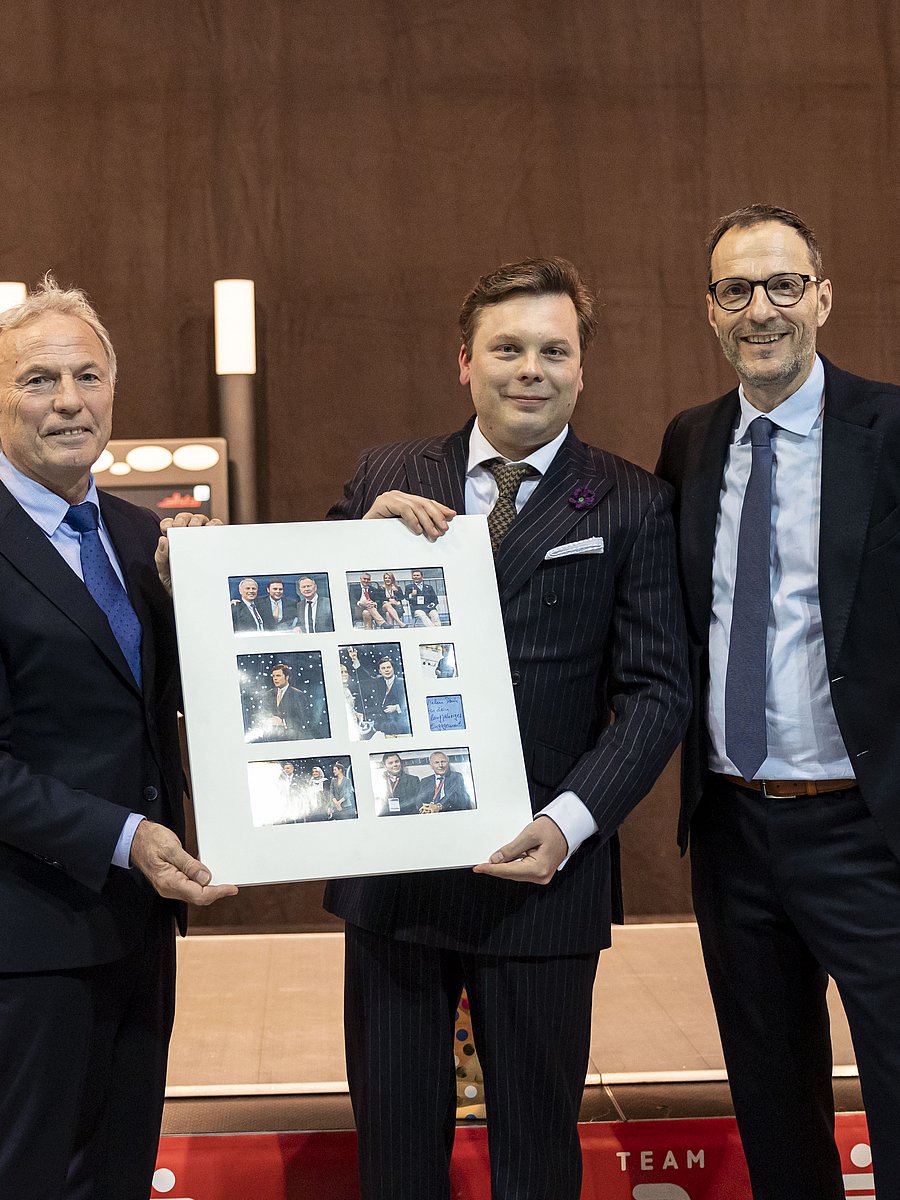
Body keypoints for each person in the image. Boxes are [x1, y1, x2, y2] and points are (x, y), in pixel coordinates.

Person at [324, 256, 689, 1199]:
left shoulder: (634, 501)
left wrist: (570, 823)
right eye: (508, 348)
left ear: (582, 369)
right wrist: (354, 545)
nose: (531, 368)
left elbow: (657, 692)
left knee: (536, 1159)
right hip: (395, 873)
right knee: (396, 1157)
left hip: (543, 875)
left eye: (554, 351)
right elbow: (317, 644)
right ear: (464, 362)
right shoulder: (385, 476)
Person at [655, 204, 900, 1200]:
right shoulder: (691, 442)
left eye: (784, 285)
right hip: (734, 835)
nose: (761, 310)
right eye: (736, 290)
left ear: (823, 298)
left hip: (869, 831)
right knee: (775, 1114)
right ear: (711, 311)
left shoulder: (892, 430)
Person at [0, 276, 237, 1200]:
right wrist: (124, 836)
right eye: (38, 380)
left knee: (120, 1172)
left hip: (138, 928)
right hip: (26, 938)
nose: (69, 401)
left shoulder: (147, 539)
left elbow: (200, 700)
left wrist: (366, 549)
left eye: (87, 377)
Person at [370, 655, 411, 736]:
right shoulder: (378, 681)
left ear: (393, 668)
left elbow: (411, 702)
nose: (386, 670)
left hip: (400, 726)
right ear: (380, 671)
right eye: (383, 668)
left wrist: (397, 707)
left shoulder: (403, 683)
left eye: (388, 667)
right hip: (381, 727)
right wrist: (355, 660)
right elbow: (364, 677)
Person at [376, 752, 421, 816]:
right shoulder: (379, 782)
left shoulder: (413, 780)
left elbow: (418, 803)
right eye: (390, 763)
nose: (395, 765)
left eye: (397, 761)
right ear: (385, 766)